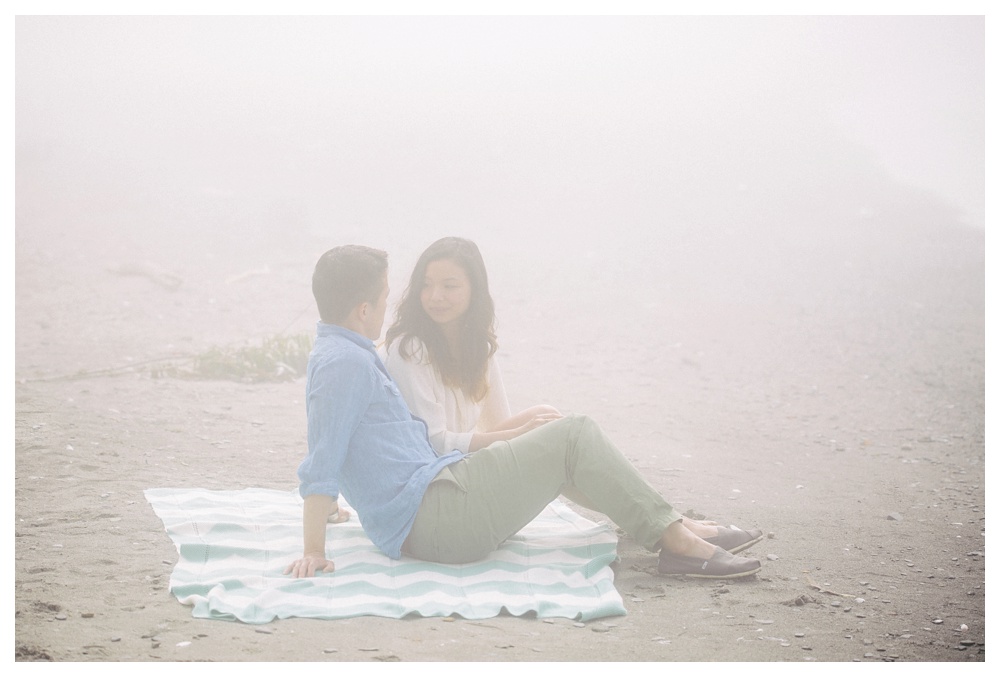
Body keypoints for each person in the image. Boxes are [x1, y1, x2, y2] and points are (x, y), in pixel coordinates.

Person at [285, 244, 765, 580]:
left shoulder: (342, 355)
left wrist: (330, 510)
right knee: (575, 434)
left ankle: (668, 527)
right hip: (435, 519)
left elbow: (336, 437)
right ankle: (677, 545)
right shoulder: (346, 363)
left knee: (563, 441)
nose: (395, 306)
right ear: (365, 309)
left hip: (438, 501)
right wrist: (313, 551)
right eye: (387, 298)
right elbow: (323, 457)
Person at [382, 237, 561, 457]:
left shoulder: (478, 347)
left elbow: (499, 422)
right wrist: (519, 435)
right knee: (561, 435)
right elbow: (434, 443)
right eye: (426, 285)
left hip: (464, 461)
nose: (435, 296)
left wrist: (523, 434)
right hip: (437, 473)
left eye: (449, 286)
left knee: (548, 418)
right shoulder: (410, 348)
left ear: (474, 289)